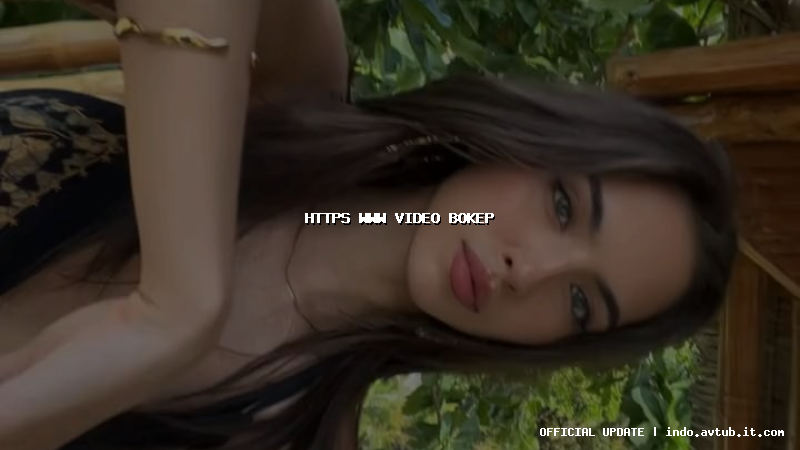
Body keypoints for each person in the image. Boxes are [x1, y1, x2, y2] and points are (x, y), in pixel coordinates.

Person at [0, 1, 738, 449]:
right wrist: (183, 305)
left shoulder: (286, 432)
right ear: (533, 141)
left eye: (579, 304)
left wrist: (157, 332)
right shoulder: (298, 94)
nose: (532, 271)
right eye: (564, 207)